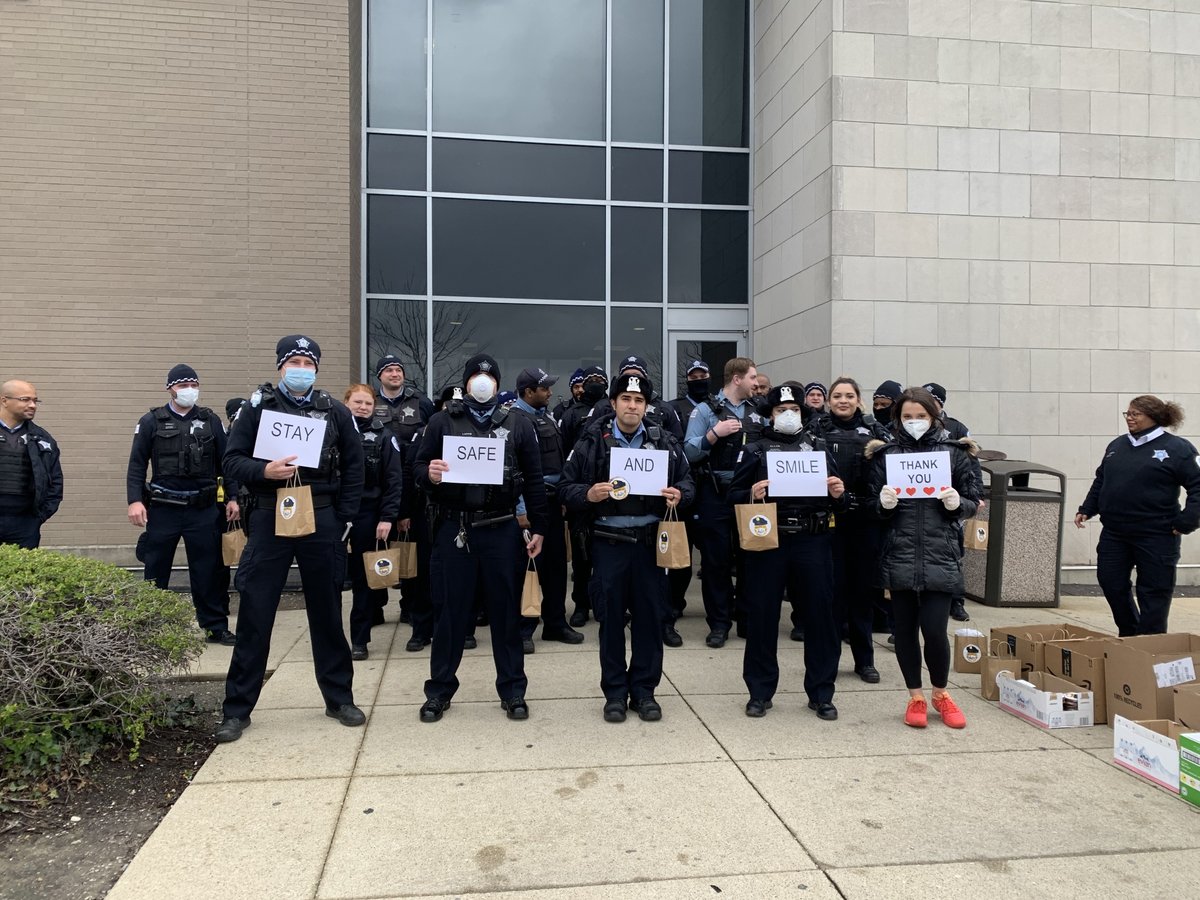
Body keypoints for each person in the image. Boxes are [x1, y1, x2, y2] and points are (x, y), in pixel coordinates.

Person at [215, 335, 366, 743]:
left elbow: (355, 466)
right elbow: (231, 460)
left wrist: (345, 517)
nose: (301, 368)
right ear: (281, 366)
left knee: (327, 613)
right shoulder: (258, 408)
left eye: (308, 362)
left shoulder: (334, 410)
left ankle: (339, 699)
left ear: (316, 368)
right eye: (294, 361)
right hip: (270, 516)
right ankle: (237, 709)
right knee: (255, 614)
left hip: (321, 516)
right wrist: (264, 472)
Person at [413, 354, 547, 723]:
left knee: (506, 616)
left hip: (502, 529)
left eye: (489, 376)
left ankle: (513, 690)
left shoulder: (518, 424)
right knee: (451, 616)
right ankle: (439, 691)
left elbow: (534, 481)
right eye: (476, 375)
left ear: (498, 383)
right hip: (456, 528)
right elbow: (418, 467)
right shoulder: (443, 421)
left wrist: (538, 528)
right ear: (466, 381)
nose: (482, 381)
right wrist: (431, 474)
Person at [559, 372, 694, 722]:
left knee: (650, 620)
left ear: (645, 406)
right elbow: (565, 487)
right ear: (614, 402)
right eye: (626, 399)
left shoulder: (663, 440)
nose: (632, 406)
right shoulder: (591, 440)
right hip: (608, 545)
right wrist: (588, 495)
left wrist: (680, 494)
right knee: (611, 621)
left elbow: (688, 482)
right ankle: (615, 693)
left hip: (651, 545)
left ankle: (645, 692)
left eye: (638, 401)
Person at [730, 382, 846, 720]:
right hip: (769, 542)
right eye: (781, 411)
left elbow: (841, 502)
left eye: (794, 410)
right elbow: (731, 497)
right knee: (763, 617)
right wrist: (751, 494)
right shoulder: (755, 450)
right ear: (770, 415)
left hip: (812, 540)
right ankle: (760, 692)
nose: (788, 415)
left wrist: (839, 494)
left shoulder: (819, 449)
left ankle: (822, 693)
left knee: (821, 619)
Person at [868, 386, 979, 730]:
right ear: (898, 419)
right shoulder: (886, 455)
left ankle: (941, 693)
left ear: (934, 416)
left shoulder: (954, 453)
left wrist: (956, 504)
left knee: (934, 629)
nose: (914, 422)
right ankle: (915, 695)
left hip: (940, 551)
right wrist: (883, 504)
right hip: (899, 552)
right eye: (907, 417)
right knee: (904, 632)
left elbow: (975, 497)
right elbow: (873, 506)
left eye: (921, 416)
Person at [126, 364, 239, 645]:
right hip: (164, 507)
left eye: (193, 384)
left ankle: (215, 626)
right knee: (156, 568)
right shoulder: (152, 420)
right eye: (183, 385)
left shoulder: (210, 420)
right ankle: (151, 629)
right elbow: (137, 464)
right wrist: (135, 501)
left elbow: (227, 462)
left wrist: (234, 497)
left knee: (207, 571)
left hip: (202, 508)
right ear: (170, 388)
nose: (189, 390)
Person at [1075, 395, 1200, 636]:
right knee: (1110, 582)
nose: (1129, 418)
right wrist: (1087, 508)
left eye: (1135, 414)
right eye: (1127, 414)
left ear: (1153, 417)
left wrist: (1187, 522)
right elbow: (1102, 479)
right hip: (1115, 532)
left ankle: (1150, 642)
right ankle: (1130, 633)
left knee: (1153, 592)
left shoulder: (1179, 449)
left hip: (1157, 534)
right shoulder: (1117, 446)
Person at [810, 376, 893, 683]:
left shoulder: (875, 431)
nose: (842, 401)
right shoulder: (815, 430)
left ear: (859, 399)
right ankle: (828, 662)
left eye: (849, 395)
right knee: (832, 594)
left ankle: (865, 660)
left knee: (861, 593)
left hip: (865, 521)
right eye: (837, 396)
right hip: (828, 522)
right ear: (829, 401)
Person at [683, 357, 761, 647]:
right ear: (737, 378)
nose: (757, 383)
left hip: (749, 494)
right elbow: (688, 452)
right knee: (716, 562)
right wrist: (714, 434)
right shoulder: (705, 411)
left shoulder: (758, 412)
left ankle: (745, 618)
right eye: (752, 377)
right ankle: (718, 623)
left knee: (750, 558)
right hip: (714, 492)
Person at [509, 366, 584, 650]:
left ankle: (555, 624)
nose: (550, 392)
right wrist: (520, 509)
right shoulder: (514, 420)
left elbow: (560, 461)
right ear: (529, 392)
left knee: (555, 567)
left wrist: (564, 498)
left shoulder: (548, 418)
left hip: (553, 503)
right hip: (529, 504)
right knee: (530, 569)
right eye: (544, 389)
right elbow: (514, 470)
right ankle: (525, 628)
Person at [374, 354, 435, 650]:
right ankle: (374, 608)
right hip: (379, 487)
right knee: (380, 552)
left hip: (413, 485)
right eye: (389, 370)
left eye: (398, 370)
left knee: (412, 555)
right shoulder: (370, 402)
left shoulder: (420, 402)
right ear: (380, 376)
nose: (395, 374)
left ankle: (412, 609)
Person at [343, 383, 404, 660]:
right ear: (346, 403)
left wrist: (387, 517)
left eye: (367, 403)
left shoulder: (383, 435)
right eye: (357, 402)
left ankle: (360, 639)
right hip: (335, 514)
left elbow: (394, 480)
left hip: (368, 514)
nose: (363, 407)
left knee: (363, 580)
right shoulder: (332, 432)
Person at [662, 359, 714, 646]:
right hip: (680, 488)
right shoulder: (674, 407)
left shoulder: (717, 408)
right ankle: (674, 603)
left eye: (702, 375)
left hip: (708, 490)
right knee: (679, 554)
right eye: (693, 376)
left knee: (711, 555)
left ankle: (717, 609)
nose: (698, 379)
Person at [921, 382, 978, 623]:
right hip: (919, 505)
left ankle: (957, 601)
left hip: (948, 505)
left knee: (953, 556)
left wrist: (974, 496)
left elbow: (971, 464)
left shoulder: (956, 428)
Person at [560, 365, 609, 625]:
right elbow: (563, 451)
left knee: (603, 556)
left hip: (609, 494)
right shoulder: (571, 414)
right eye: (591, 380)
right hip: (581, 492)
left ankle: (603, 605)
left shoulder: (613, 411)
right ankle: (581, 605)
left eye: (601, 380)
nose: (596, 383)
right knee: (581, 555)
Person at [0, 380, 62, 548]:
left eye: (35, 400)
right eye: (25, 399)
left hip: (25, 524)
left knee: (24, 573)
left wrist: (37, 519)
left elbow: (56, 483)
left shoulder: (43, 439)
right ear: (4, 401)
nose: (32, 405)